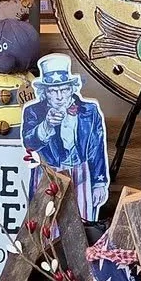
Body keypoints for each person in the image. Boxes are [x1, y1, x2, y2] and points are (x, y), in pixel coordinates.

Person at [20, 54, 108, 222]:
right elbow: (29, 143)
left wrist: (99, 183)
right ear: (45, 93)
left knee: (81, 223)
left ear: (72, 89)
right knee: (45, 224)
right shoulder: (34, 112)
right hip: (47, 175)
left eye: (64, 89)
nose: (59, 96)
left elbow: (96, 148)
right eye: (53, 91)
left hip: (80, 173)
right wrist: (46, 125)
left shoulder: (89, 111)